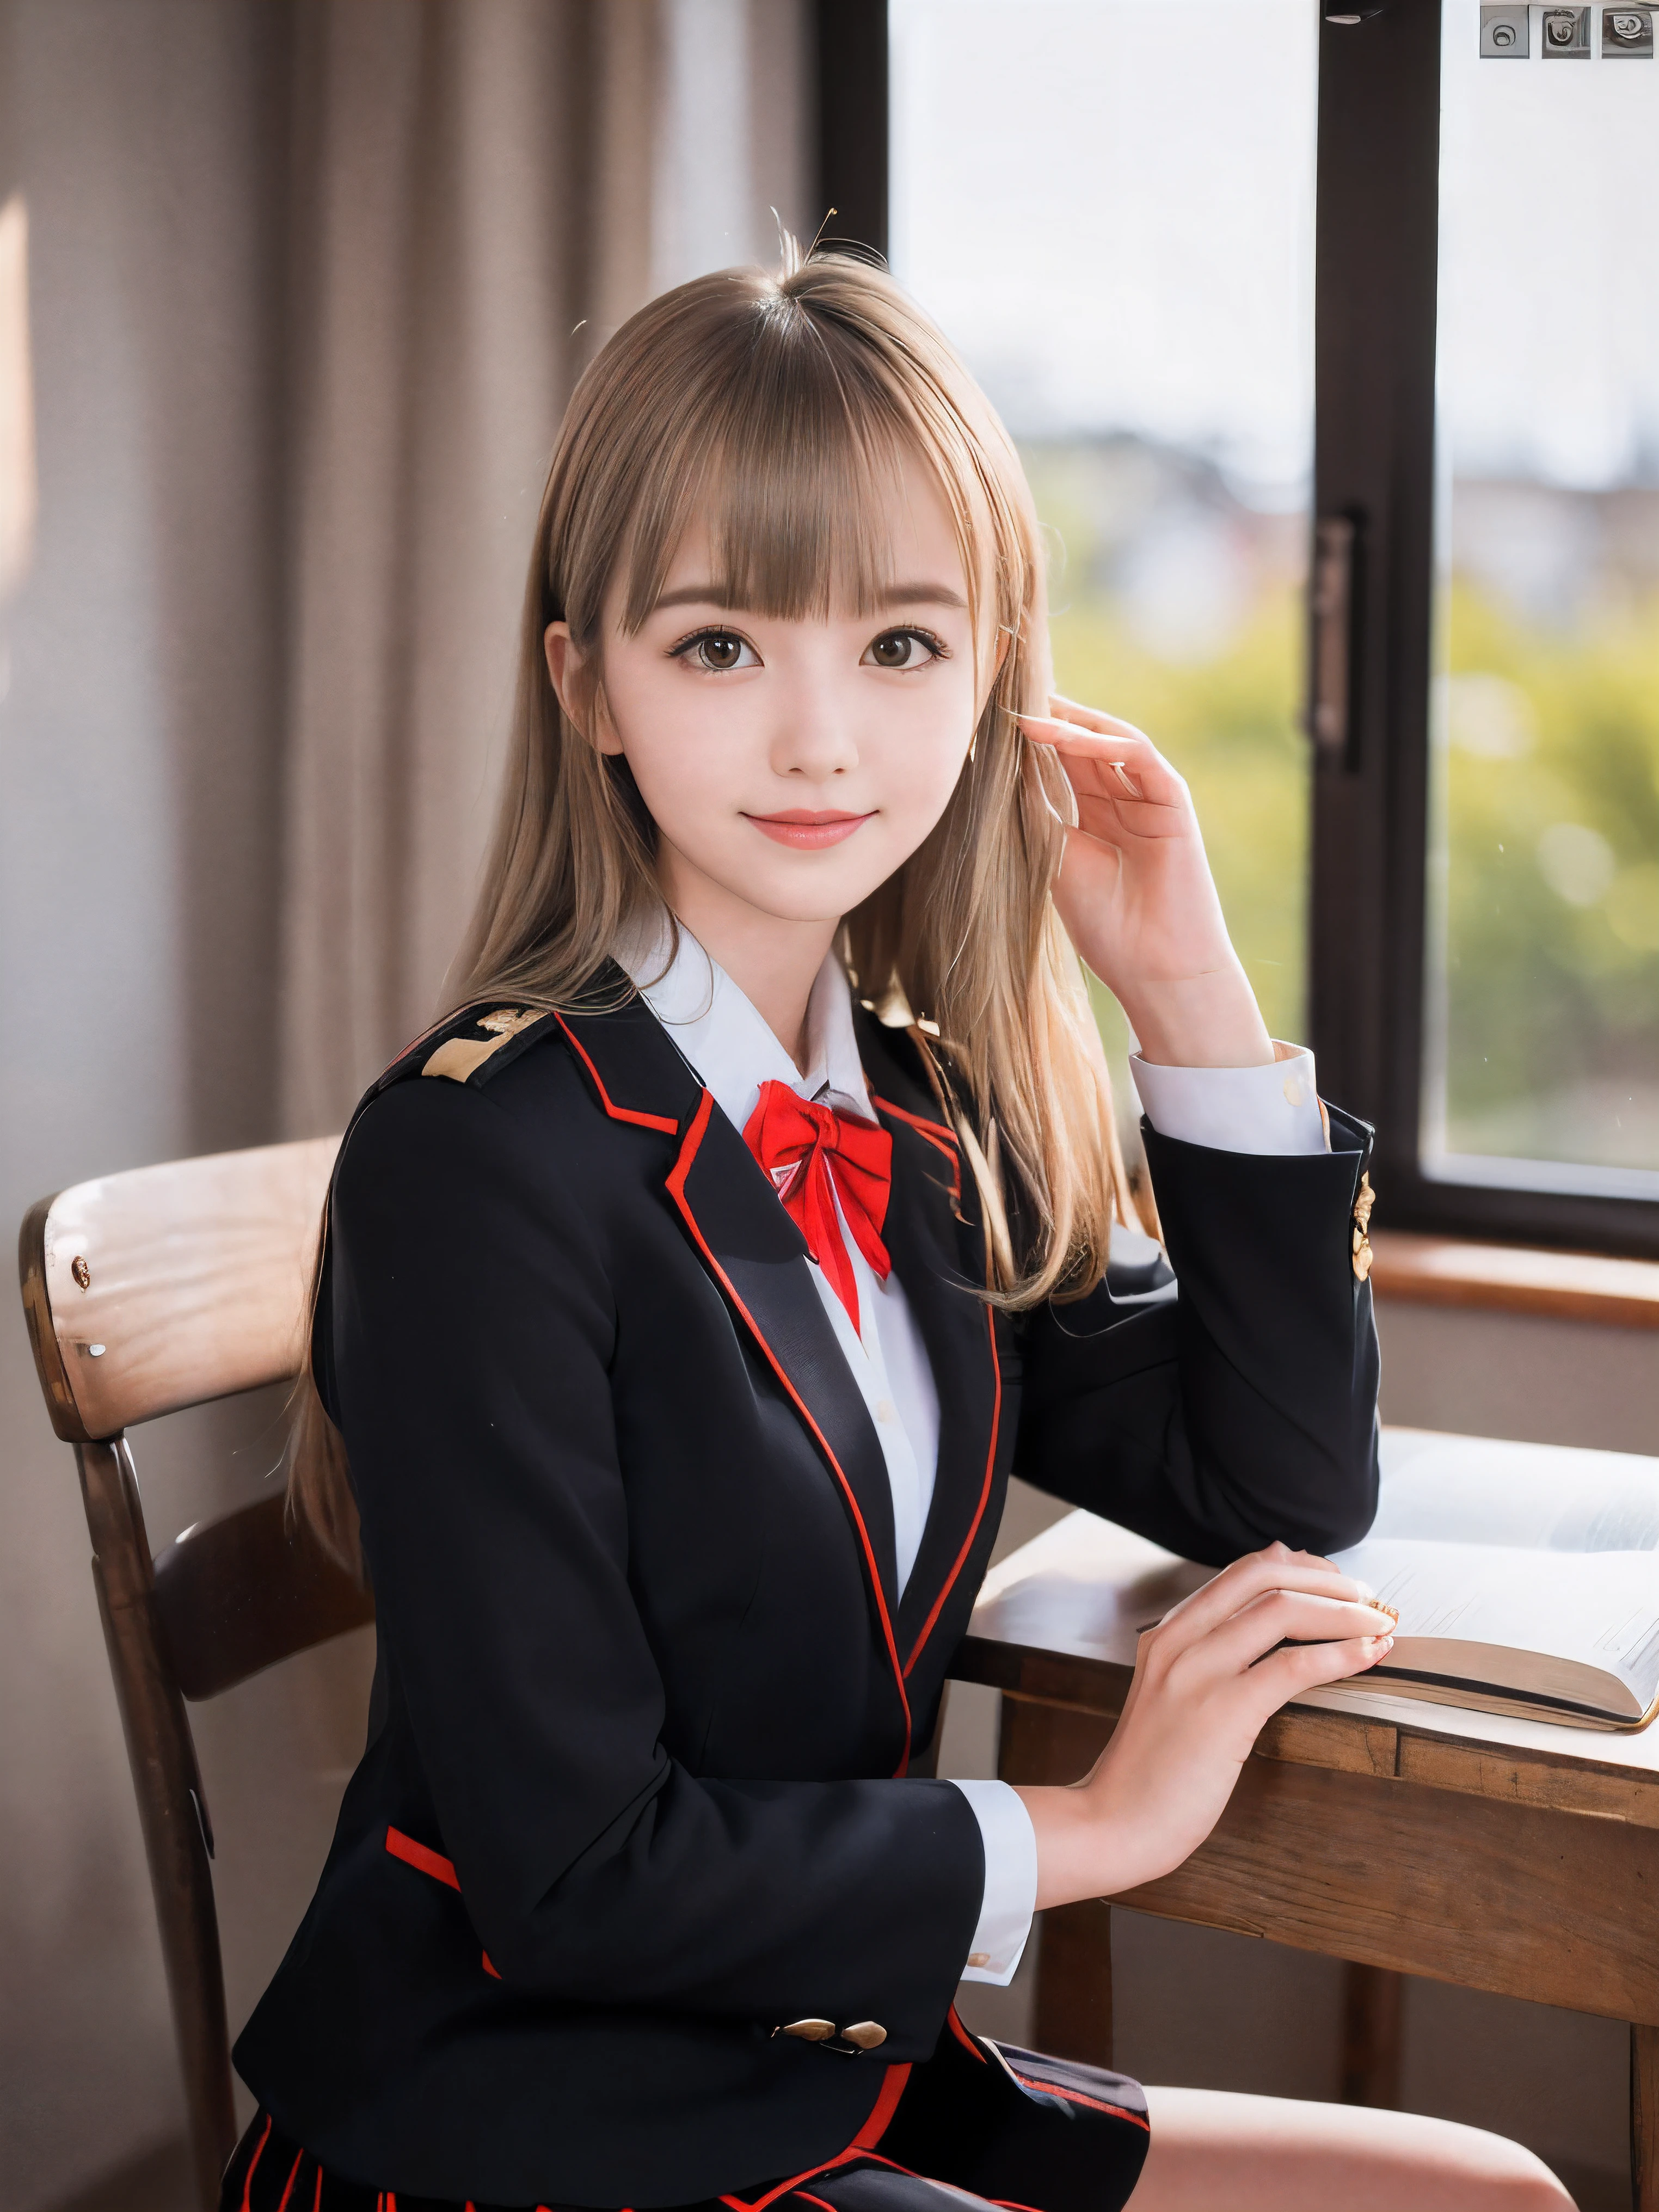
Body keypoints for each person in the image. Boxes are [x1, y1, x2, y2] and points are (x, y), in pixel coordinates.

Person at [225, 249, 1573, 2212]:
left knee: (1497, 2195)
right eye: (717, 646)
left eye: (900, 647)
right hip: (521, 2121)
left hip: (826, 2062)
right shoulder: (476, 1164)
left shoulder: (926, 1112)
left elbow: (1280, 1472)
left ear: (996, 675)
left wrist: (1186, 996)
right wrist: (1093, 1823)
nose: (820, 743)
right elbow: (574, 1875)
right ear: (580, 677)